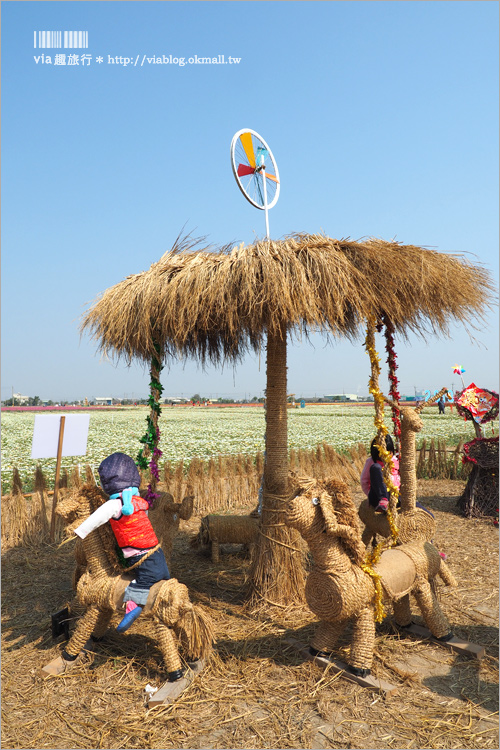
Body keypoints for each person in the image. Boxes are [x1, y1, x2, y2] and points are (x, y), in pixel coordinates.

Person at [74, 452, 171, 632]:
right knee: (155, 574)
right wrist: (80, 531)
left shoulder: (120, 504)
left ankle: (141, 599)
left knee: (155, 575)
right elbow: (100, 519)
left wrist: (80, 531)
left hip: (145, 550)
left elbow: (97, 518)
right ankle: (137, 601)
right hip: (146, 550)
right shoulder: (133, 502)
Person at [361, 435, 400, 513]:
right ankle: (383, 500)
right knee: (376, 468)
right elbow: (364, 481)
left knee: (419, 509)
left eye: (389, 453)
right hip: (377, 496)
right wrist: (369, 494)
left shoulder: (396, 461)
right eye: (382, 454)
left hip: (395, 495)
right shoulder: (371, 461)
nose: (386, 456)